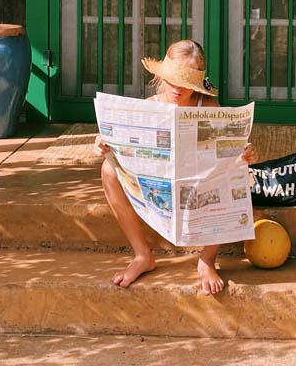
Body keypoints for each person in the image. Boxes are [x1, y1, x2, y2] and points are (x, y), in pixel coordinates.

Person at [95, 39, 258, 294]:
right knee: (108, 169)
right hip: (158, 187)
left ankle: (207, 260)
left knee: (235, 174)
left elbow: (228, 152)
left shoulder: (209, 107)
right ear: (162, 76)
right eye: (173, 80)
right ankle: (142, 256)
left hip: (197, 186)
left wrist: (244, 154)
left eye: (186, 83)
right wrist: (106, 145)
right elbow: (122, 149)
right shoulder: (150, 106)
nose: (178, 89)